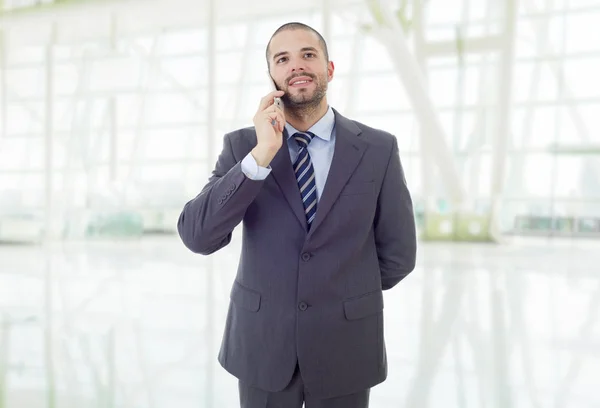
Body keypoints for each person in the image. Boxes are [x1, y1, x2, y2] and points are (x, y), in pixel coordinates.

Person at [177, 21, 417, 408]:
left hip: (346, 345)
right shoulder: (243, 146)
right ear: (272, 75)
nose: (296, 66)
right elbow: (197, 236)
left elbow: (399, 254)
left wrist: (341, 296)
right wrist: (259, 157)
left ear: (329, 68)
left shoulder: (377, 148)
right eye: (282, 58)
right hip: (263, 346)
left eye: (308, 54)